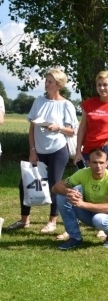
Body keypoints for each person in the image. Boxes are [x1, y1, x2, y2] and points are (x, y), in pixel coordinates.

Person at [5, 68, 77, 233]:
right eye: (46, 80)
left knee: (54, 185)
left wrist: (58, 128)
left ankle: (52, 221)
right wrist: (32, 150)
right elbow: (32, 128)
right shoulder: (38, 101)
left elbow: (72, 131)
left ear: (58, 85)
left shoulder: (67, 105)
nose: (46, 83)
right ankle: (25, 220)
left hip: (58, 150)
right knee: (24, 183)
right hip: (38, 150)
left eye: (50, 81)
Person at [53, 147, 108, 250]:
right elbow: (55, 188)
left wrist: (82, 204)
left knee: (99, 219)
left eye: (101, 162)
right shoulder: (83, 173)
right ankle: (75, 238)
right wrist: (69, 192)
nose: (98, 166)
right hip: (88, 212)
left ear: (107, 163)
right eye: (94, 162)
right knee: (62, 196)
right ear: (88, 163)